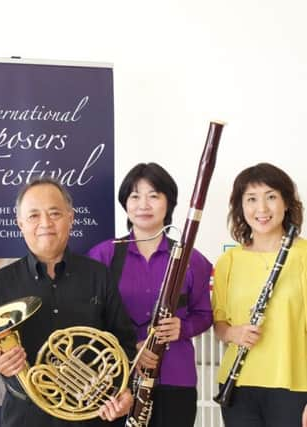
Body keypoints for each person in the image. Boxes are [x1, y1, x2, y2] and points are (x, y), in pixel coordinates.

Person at [0, 177, 137, 427]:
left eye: (55, 213)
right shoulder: (2, 282)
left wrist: (121, 390)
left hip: (91, 415)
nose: (45, 223)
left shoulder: (98, 275)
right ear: (20, 224)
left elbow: (123, 342)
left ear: (70, 218)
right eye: (34, 215)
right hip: (25, 416)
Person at [87, 162, 213, 427]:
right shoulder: (103, 255)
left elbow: (204, 315)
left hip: (175, 377)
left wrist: (183, 327)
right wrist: (131, 347)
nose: (143, 204)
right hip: (116, 378)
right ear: (125, 203)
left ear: (169, 203)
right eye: (135, 196)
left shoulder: (193, 260)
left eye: (153, 195)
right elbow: (89, 318)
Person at [212, 163, 307, 427]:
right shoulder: (228, 261)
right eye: (251, 199)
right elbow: (220, 325)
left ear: (287, 202)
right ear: (241, 207)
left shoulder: (304, 256)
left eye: (271, 197)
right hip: (238, 385)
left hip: (293, 384)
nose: (262, 209)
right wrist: (233, 334)